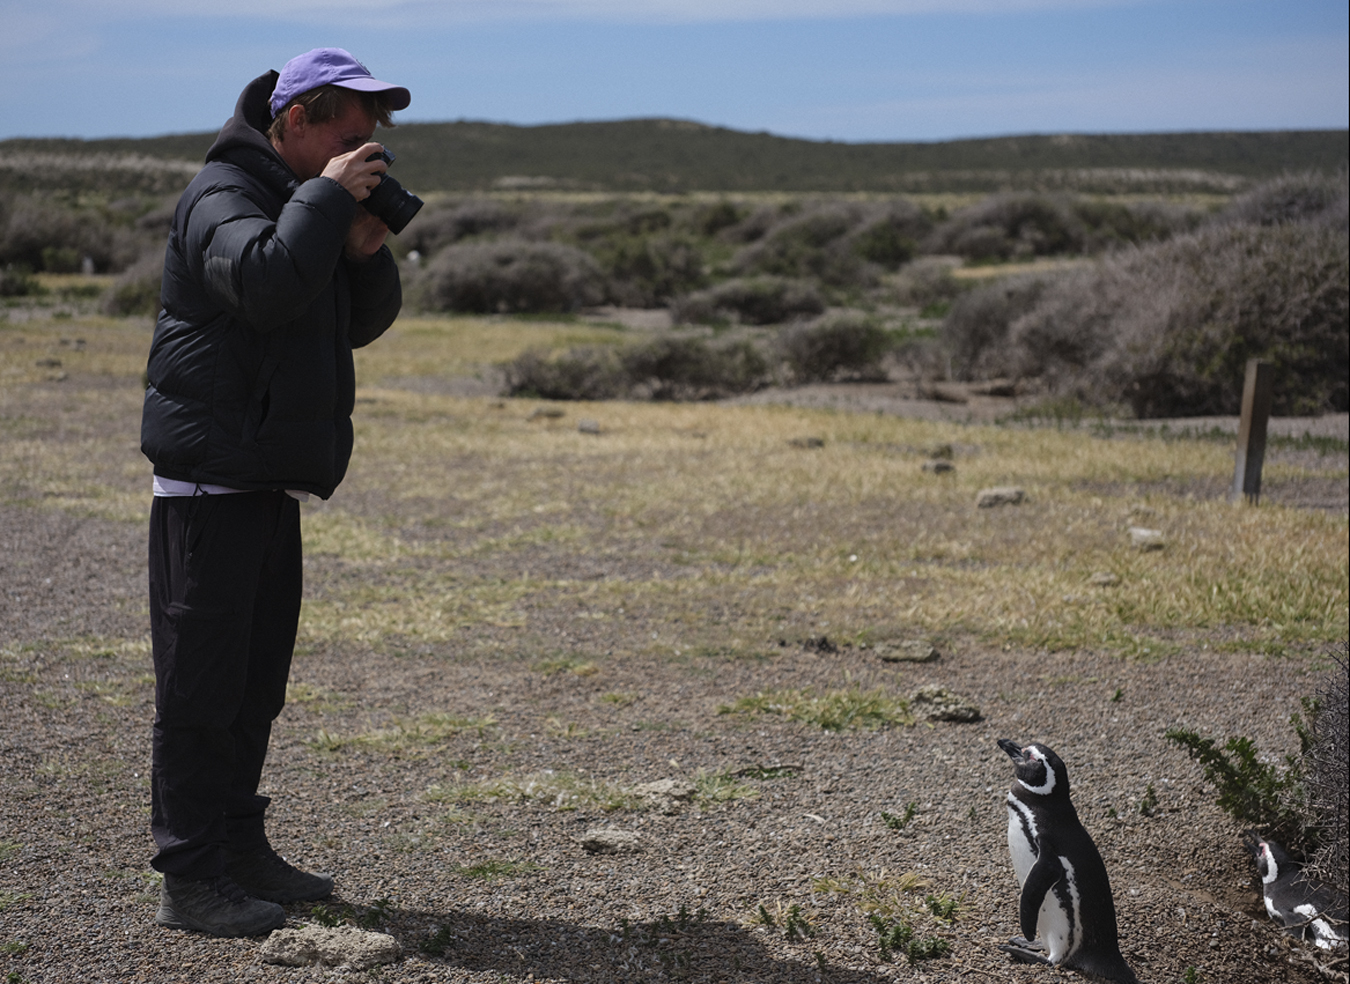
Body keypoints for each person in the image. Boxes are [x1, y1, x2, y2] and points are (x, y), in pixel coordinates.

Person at [140, 48, 409, 937]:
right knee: (200, 689)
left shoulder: (303, 205)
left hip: (264, 480)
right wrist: (327, 203)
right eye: (348, 128)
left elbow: (350, 324)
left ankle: (237, 846)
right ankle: (190, 875)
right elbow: (260, 285)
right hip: (209, 482)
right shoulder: (223, 195)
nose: (365, 143)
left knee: (254, 685)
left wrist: (363, 253)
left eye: (373, 133)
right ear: (294, 118)